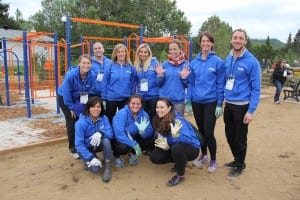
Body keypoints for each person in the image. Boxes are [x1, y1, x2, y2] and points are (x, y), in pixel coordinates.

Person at [223, 29, 261, 179]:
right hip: (229, 104)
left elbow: (256, 88)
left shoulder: (251, 61)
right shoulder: (229, 57)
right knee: (229, 135)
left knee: (240, 138)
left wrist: (251, 111)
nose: (237, 40)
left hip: (242, 106)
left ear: (245, 41)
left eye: (241, 38)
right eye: (235, 38)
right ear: (231, 40)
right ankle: (237, 159)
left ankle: (240, 165)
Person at [187, 31, 226, 173]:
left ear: (212, 44)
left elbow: (220, 84)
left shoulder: (218, 62)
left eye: (208, 41)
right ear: (200, 43)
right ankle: (203, 155)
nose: (205, 44)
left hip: (211, 102)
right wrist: (188, 102)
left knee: (209, 132)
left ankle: (213, 159)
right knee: (201, 132)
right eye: (203, 41)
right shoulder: (194, 63)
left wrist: (220, 104)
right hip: (197, 101)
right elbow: (190, 83)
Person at [149, 98, 200, 187]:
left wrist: (175, 137)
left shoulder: (178, 120)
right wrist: (166, 144)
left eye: (162, 107)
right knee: (155, 156)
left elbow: (188, 139)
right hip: (173, 145)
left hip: (192, 148)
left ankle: (180, 175)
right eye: (157, 107)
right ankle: (180, 161)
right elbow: (159, 136)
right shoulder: (158, 119)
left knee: (177, 148)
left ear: (169, 108)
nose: (159, 110)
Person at [57, 54, 98, 159]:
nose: (86, 65)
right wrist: (71, 107)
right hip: (65, 98)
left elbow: (89, 90)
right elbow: (66, 92)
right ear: (79, 63)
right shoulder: (71, 75)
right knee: (72, 120)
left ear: (91, 65)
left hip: (80, 98)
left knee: (82, 120)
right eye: (83, 63)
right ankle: (73, 148)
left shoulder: (92, 75)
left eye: (88, 63)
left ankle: (82, 144)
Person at [75, 96, 113, 183]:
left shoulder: (104, 118)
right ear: (88, 108)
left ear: (101, 108)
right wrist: (91, 157)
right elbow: (78, 145)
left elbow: (110, 133)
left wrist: (101, 133)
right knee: (95, 169)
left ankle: (107, 166)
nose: (96, 109)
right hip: (87, 148)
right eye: (92, 107)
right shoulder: (81, 123)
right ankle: (88, 160)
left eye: (98, 107)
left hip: (98, 144)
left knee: (106, 141)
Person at [112, 94, 154, 167]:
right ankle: (117, 155)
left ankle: (132, 152)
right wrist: (134, 144)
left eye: (138, 104)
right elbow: (119, 134)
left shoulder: (144, 114)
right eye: (133, 103)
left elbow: (150, 131)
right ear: (129, 103)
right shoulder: (122, 113)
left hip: (133, 136)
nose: (135, 106)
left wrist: (143, 132)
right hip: (119, 138)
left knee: (151, 140)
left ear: (141, 104)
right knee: (123, 147)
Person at [101, 43, 137, 124]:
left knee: (123, 120)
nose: (121, 54)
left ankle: (122, 135)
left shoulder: (131, 67)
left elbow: (133, 83)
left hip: (125, 99)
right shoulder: (110, 66)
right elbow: (104, 82)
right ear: (115, 54)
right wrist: (103, 98)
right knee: (109, 119)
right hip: (111, 98)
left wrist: (132, 96)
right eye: (119, 52)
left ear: (126, 53)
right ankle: (110, 136)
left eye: (122, 51)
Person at [155, 39, 190, 116]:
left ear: (180, 50)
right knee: (164, 125)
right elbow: (159, 84)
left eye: (175, 49)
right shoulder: (165, 65)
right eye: (170, 49)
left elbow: (187, 85)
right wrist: (160, 76)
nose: (172, 51)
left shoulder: (186, 65)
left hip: (178, 101)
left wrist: (184, 78)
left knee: (177, 125)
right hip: (165, 101)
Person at [134, 43, 159, 120]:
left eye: (145, 52)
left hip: (153, 96)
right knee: (143, 118)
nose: (143, 54)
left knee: (153, 117)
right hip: (141, 96)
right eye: (141, 52)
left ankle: (154, 131)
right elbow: (135, 80)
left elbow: (159, 79)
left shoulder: (155, 63)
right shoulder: (136, 64)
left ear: (149, 53)